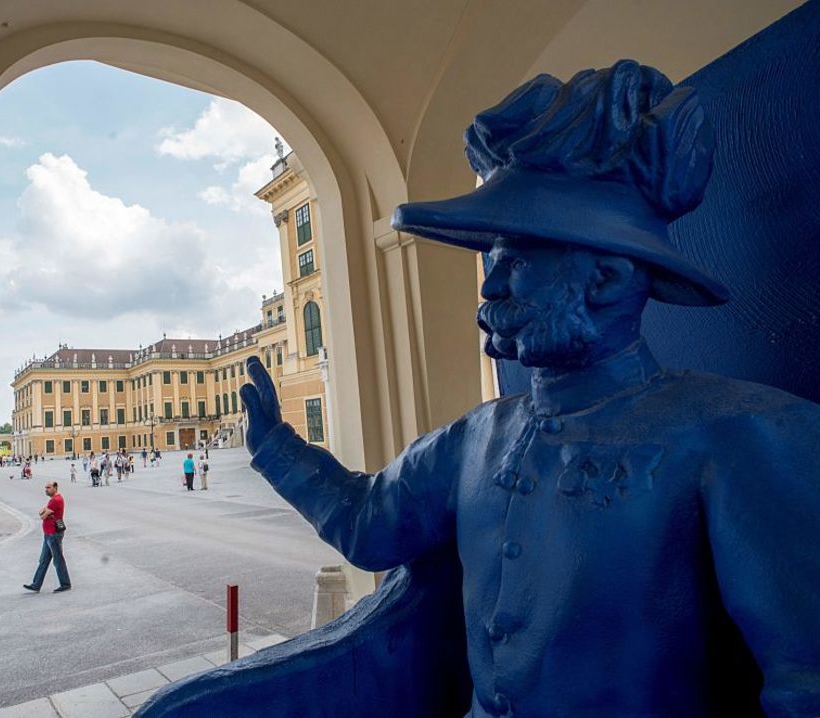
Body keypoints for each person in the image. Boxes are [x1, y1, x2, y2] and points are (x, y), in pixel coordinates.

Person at [237, 61, 820, 717]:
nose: (490, 288)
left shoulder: (747, 435)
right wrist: (276, 448)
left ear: (603, 279)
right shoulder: (475, 437)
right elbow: (370, 526)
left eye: (516, 261)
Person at [22, 481, 71, 593]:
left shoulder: (55, 500)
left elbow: (42, 516)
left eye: (48, 487)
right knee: (44, 560)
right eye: (46, 487)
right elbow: (42, 512)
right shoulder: (53, 500)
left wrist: (45, 513)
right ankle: (36, 584)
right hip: (49, 534)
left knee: (58, 560)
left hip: (53, 534)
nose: (46, 489)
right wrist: (45, 512)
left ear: (55, 488)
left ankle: (65, 583)